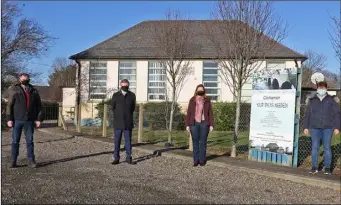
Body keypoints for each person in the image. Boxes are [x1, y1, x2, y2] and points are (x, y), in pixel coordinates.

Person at [6, 73, 43, 168]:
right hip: (17, 120)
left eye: (27, 78)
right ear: (20, 79)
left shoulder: (34, 90)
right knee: (15, 141)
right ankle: (13, 161)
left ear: (29, 79)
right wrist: (9, 119)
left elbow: (39, 106)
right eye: (23, 78)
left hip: (29, 120)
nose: (25, 80)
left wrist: (39, 119)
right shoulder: (14, 89)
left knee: (30, 141)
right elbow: (9, 105)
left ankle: (31, 161)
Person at [303, 81, 340, 175]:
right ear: (317, 89)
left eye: (323, 88)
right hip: (314, 128)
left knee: (327, 147)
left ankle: (327, 168)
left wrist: (337, 127)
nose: (321, 90)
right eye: (320, 88)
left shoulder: (331, 100)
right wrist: (306, 127)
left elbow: (337, 114)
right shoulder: (312, 100)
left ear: (326, 89)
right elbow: (307, 115)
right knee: (315, 147)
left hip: (328, 128)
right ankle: (314, 167)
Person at [185, 84, 214, 167]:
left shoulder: (207, 100)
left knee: (203, 142)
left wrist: (211, 125)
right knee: (195, 142)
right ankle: (195, 160)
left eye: (202, 90)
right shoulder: (192, 100)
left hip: (204, 123)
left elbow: (210, 113)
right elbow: (189, 113)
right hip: (194, 123)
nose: (200, 91)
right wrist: (187, 125)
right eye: (199, 90)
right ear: (196, 91)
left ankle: (202, 160)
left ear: (204, 91)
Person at [111, 79, 136, 165]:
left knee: (128, 142)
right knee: (117, 142)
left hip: (128, 123)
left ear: (128, 85)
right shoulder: (115, 95)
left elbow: (133, 108)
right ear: (121, 85)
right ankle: (116, 158)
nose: (125, 87)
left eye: (126, 85)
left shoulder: (132, 96)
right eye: (123, 85)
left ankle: (129, 158)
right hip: (118, 123)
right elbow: (113, 108)